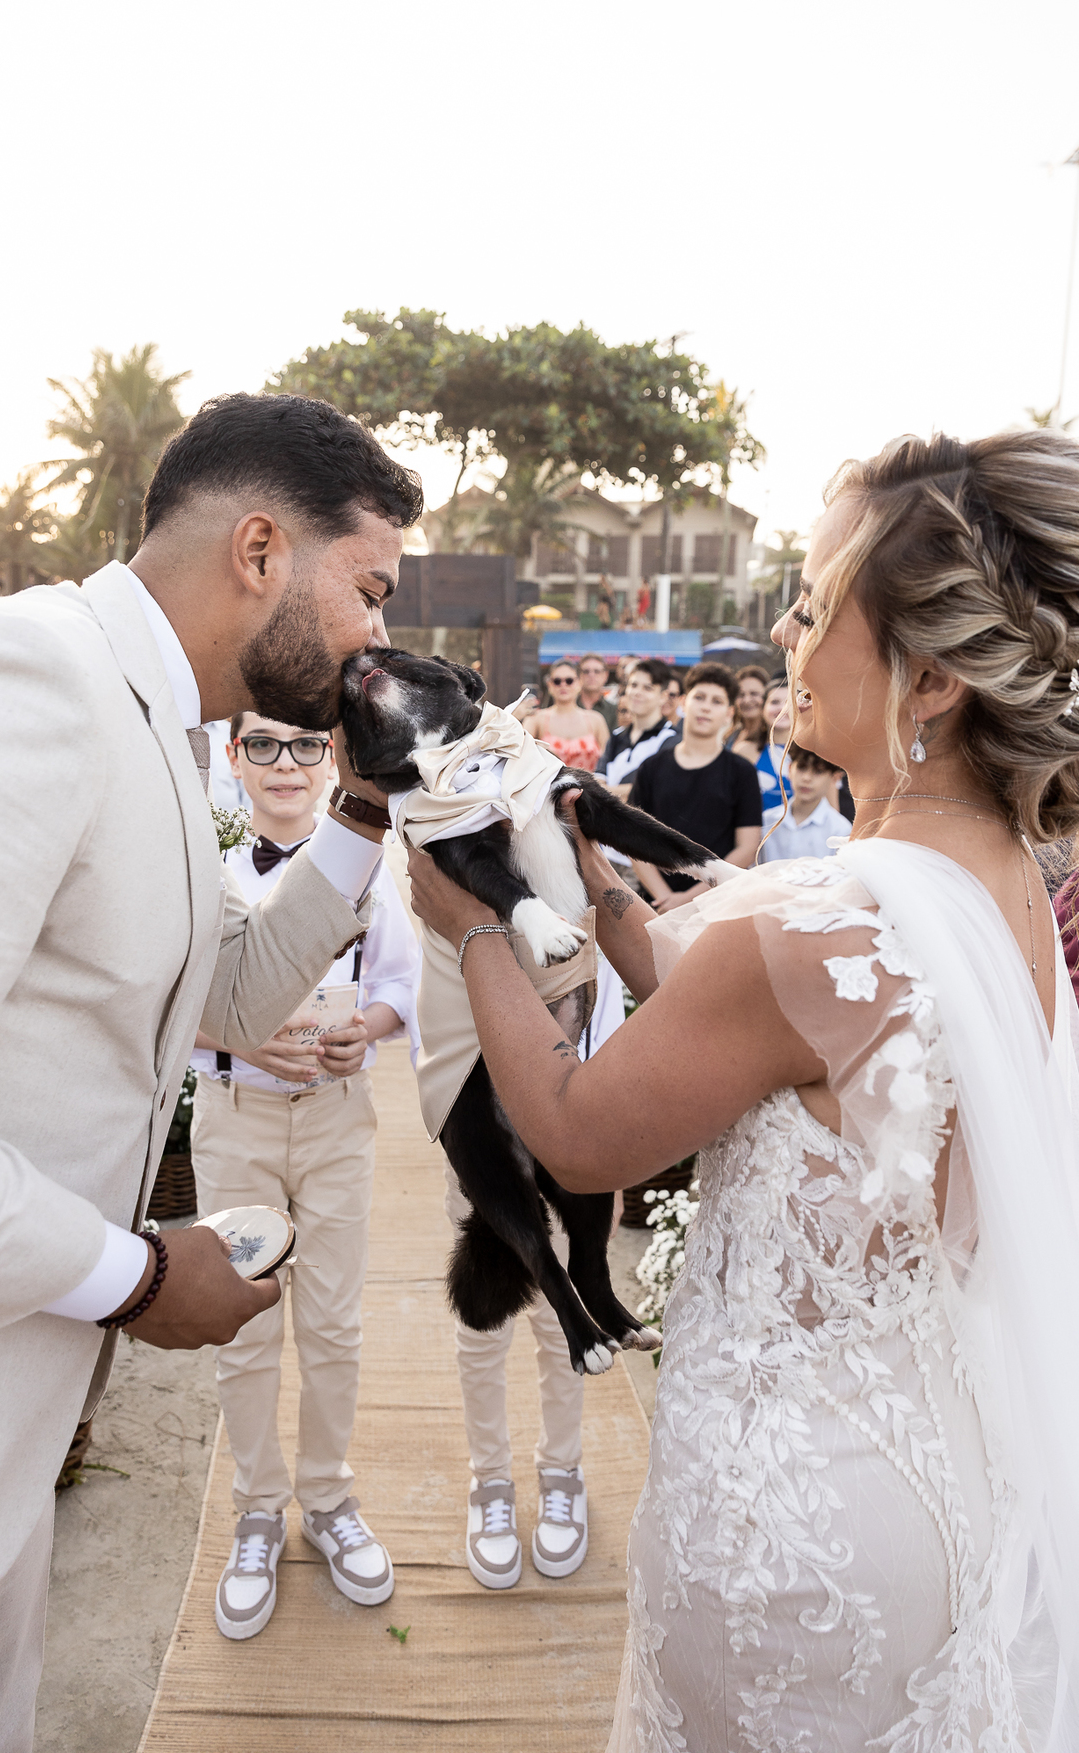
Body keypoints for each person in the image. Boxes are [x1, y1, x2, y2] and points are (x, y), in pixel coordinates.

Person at [407, 427, 1079, 1750]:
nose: (782, 627)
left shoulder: (811, 933)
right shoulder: (1001, 892)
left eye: (818, 602)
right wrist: (615, 914)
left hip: (791, 1530)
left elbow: (580, 1138)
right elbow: (807, 1064)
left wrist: (470, 919)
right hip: (941, 1474)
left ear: (930, 677)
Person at [0, 391, 421, 1752]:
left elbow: (225, 992)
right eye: (366, 589)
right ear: (257, 550)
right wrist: (132, 1279)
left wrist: (363, 808)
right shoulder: (33, 675)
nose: (376, 637)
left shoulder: (166, 727)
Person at [191, 713, 419, 1639]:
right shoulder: (203, 881)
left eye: (304, 747)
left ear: (333, 760)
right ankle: (256, 1509)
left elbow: (400, 985)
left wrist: (371, 1027)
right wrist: (234, 1031)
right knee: (241, 1323)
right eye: (263, 747)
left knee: (332, 1322)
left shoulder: (367, 873)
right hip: (233, 1122)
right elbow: (163, 1009)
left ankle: (327, 1500)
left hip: (334, 1123)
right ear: (235, 760)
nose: (284, 766)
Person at [454, 958, 625, 1592]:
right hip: (481, 1127)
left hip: (577, 1122)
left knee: (567, 1315)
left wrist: (615, 1155)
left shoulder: (575, 888)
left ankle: (562, 1470)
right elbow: (438, 1016)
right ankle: (490, 1479)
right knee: (484, 1321)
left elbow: (603, 1012)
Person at [630, 661, 763, 910]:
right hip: (656, 903)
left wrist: (690, 899)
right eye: (699, 697)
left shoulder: (742, 772)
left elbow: (746, 847)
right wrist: (665, 898)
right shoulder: (651, 768)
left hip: (718, 903)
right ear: (683, 702)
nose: (706, 707)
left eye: (717, 701)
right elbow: (633, 839)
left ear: (729, 713)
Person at [597, 658, 678, 800]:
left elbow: (653, 788)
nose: (637, 692)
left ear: (663, 696)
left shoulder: (672, 739)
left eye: (648, 688)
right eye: (633, 685)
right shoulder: (616, 736)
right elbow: (597, 783)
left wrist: (607, 791)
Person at [758, 745, 851, 861]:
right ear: (789, 769)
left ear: (835, 778)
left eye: (818, 772)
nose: (807, 778)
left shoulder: (840, 830)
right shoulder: (766, 820)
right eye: (801, 768)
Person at [522, 658, 609, 771]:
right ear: (550, 685)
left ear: (579, 683)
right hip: (550, 787)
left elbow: (609, 761)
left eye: (569, 681)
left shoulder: (596, 719)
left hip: (591, 787)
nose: (563, 685)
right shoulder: (536, 719)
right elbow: (520, 753)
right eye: (557, 681)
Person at [753, 673, 795, 808]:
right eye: (774, 702)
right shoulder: (745, 750)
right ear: (762, 708)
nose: (782, 709)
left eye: (789, 703)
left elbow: (831, 810)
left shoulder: (814, 752)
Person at [724, 662, 770, 762]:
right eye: (741, 695)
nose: (747, 700)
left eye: (754, 694)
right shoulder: (730, 734)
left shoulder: (773, 737)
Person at [578, 652, 618, 732]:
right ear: (579, 675)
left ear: (605, 675)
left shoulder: (614, 711)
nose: (591, 675)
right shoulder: (567, 706)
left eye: (597, 671)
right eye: (586, 671)